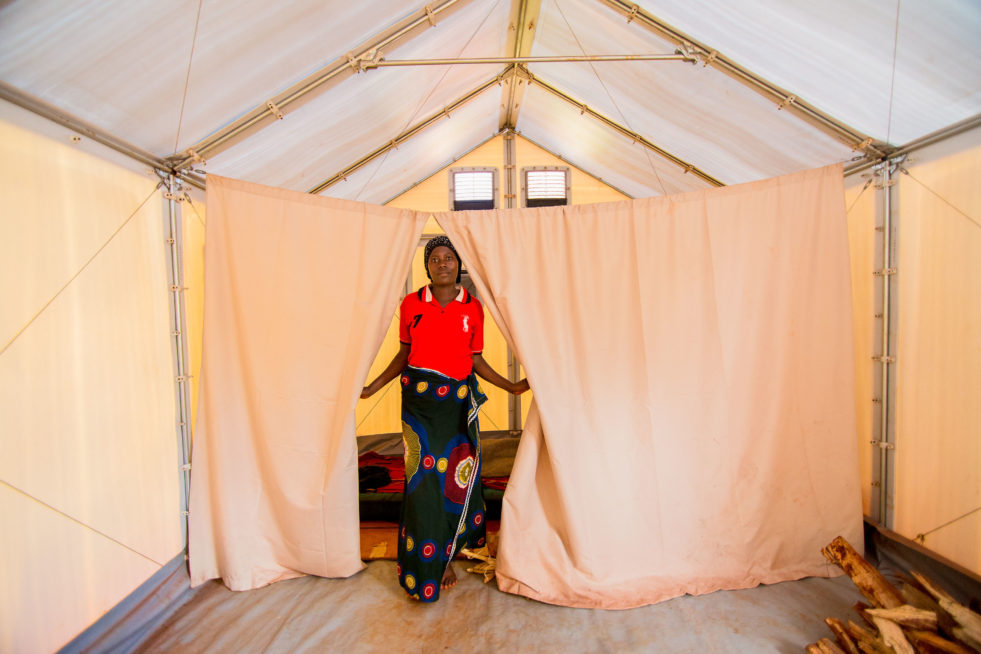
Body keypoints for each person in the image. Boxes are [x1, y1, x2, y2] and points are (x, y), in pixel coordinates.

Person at [361, 235, 529, 602]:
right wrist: (372, 386)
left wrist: (512, 387)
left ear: (458, 265)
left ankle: (447, 554)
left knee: (455, 480)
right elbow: (404, 353)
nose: (441, 264)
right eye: (434, 258)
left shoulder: (473, 307)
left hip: (455, 403)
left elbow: (476, 361)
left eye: (448, 258)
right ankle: (428, 561)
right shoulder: (411, 304)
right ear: (427, 266)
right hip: (419, 405)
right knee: (422, 482)